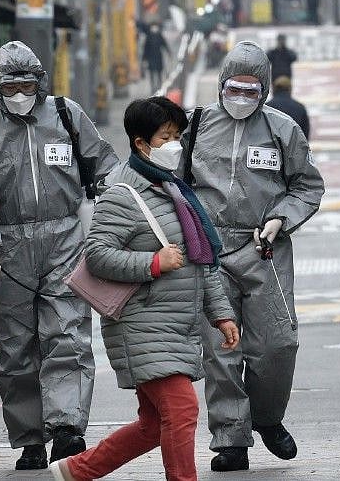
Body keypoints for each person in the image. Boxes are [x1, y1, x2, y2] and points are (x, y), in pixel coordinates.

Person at [49, 96, 240, 481]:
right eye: (166, 137)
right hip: (142, 324)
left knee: (154, 425)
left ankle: (75, 471)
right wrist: (153, 263)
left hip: (175, 324)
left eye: (177, 136)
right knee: (183, 411)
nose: (175, 145)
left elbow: (203, 260)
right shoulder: (122, 193)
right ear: (141, 143)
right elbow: (98, 256)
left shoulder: (174, 190)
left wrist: (221, 314)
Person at [0, 40, 119, 470]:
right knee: (15, 349)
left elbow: (104, 163)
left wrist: (117, 205)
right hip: (9, 247)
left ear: (40, 83)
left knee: (67, 335)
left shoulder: (66, 116)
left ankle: (67, 428)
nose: (19, 94)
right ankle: (30, 436)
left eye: (27, 85)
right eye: (10, 87)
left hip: (64, 238)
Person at [180, 41, 325, 472]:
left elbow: (308, 185)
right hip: (209, 248)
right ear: (221, 85)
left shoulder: (282, 129)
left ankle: (267, 417)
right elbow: (170, 179)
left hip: (265, 247)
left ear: (263, 90)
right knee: (222, 348)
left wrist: (282, 217)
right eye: (233, 88)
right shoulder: (196, 125)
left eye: (250, 90)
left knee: (278, 344)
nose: (241, 97)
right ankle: (230, 439)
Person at [266, 76, 311, 141]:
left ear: (274, 88)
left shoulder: (267, 107)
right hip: (293, 144)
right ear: (290, 89)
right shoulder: (300, 107)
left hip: (271, 145)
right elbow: (305, 131)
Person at [142, 23, 171, 93]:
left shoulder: (159, 36)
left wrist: (169, 52)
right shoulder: (148, 37)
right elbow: (145, 49)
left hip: (158, 57)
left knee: (159, 72)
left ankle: (159, 86)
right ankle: (153, 87)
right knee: (152, 73)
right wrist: (144, 59)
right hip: (151, 57)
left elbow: (164, 44)